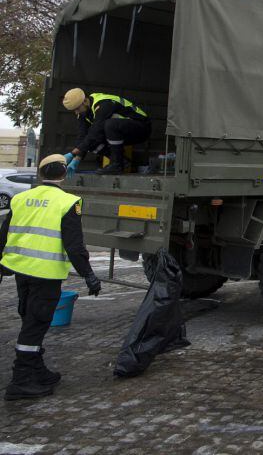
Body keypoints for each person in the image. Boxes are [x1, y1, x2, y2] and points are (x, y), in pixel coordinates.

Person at [0, 154, 101, 400]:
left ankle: (36, 369)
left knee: (29, 319)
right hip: (45, 274)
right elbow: (74, 245)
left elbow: (3, 234)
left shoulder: (21, 198)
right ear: (64, 175)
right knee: (36, 324)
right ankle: (21, 380)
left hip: (21, 270)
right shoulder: (68, 202)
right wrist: (88, 275)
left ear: (40, 173)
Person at [62, 88, 151, 175]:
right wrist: (76, 160)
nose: (76, 112)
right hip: (121, 133)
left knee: (109, 125)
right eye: (74, 110)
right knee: (90, 142)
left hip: (141, 128)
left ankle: (117, 165)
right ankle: (122, 161)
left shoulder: (104, 104)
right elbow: (82, 137)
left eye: (77, 109)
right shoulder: (83, 113)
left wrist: (72, 153)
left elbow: (95, 132)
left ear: (85, 101)